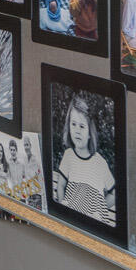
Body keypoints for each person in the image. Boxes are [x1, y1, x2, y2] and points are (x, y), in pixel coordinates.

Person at [53, 92, 116, 225]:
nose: (77, 130)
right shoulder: (69, 155)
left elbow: (114, 194)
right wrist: (63, 208)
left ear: (89, 133)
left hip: (93, 222)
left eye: (82, 126)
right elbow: (60, 185)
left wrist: (99, 208)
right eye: (73, 124)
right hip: (71, 218)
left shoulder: (99, 162)